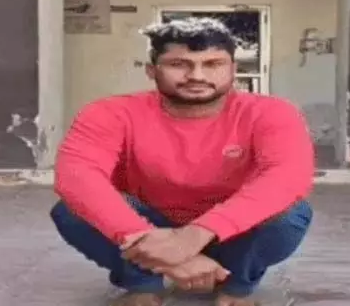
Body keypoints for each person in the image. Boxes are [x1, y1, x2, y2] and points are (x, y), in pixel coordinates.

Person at [50, 17, 314, 306]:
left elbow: (287, 177)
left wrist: (193, 237)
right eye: (178, 64)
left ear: (233, 69)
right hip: (149, 226)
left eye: (213, 64)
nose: (196, 75)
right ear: (152, 70)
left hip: (233, 232)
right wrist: (162, 251)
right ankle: (142, 283)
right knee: (71, 211)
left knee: (289, 216)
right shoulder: (110, 113)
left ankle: (236, 285)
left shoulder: (272, 113)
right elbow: (77, 176)